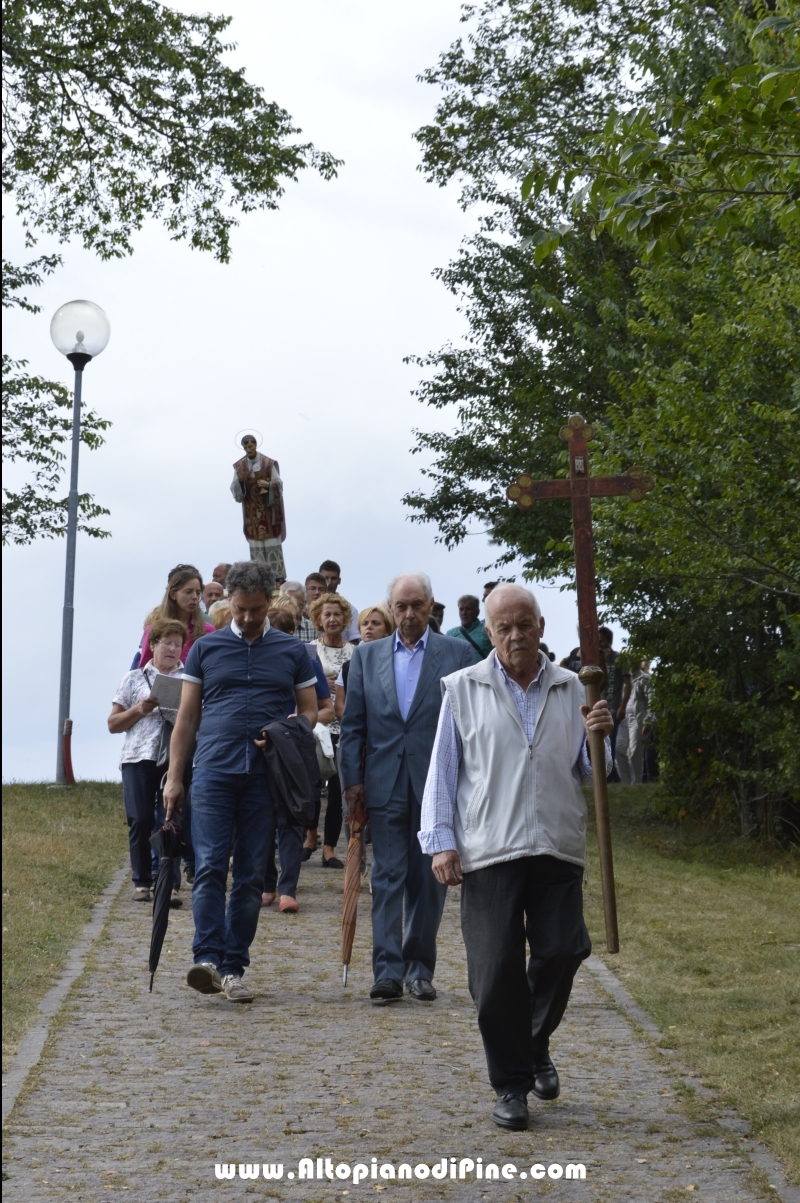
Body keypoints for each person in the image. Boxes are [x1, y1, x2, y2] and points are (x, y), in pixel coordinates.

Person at [419, 584, 613, 1131]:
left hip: (556, 844)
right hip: (489, 847)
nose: (514, 635)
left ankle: (530, 1046)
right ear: (488, 631)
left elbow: (592, 773)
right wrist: (440, 841)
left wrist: (600, 736)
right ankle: (512, 1086)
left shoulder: (575, 687)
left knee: (564, 951)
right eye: (502, 626)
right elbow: (444, 770)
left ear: (541, 625)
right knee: (494, 973)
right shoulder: (462, 688)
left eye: (523, 623)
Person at [163, 560, 318, 1003]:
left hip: (264, 777)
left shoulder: (292, 651)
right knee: (210, 865)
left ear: (270, 602)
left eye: (256, 609)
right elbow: (187, 718)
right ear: (228, 601)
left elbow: (310, 710)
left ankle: (234, 967)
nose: (248, 617)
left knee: (250, 874)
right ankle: (207, 958)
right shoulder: (206, 650)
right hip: (212, 770)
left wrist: (286, 732)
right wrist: (175, 779)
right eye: (240, 609)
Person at [339, 573, 475, 1004]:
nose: (410, 614)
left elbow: (473, 723)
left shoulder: (458, 653)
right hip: (382, 781)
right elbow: (354, 725)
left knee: (428, 879)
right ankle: (387, 971)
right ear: (390, 608)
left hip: (438, 782)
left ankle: (420, 969)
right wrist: (352, 785)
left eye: (418, 605)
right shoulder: (366, 656)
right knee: (386, 877)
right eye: (401, 606)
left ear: (431, 606)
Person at [109, 618, 188, 904]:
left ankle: (170, 884)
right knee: (140, 819)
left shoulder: (189, 679)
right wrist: (139, 709)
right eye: (166, 642)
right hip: (137, 756)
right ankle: (141, 881)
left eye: (177, 644)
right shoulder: (132, 678)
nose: (172, 649)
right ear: (152, 645)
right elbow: (113, 724)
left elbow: (197, 719)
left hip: (174, 756)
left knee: (170, 820)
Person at [261, 606, 335, 912]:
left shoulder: (304, 659)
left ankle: (288, 887)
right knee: (261, 819)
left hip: (294, 748)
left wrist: (299, 722)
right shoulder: (254, 659)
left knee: (291, 818)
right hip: (262, 747)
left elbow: (326, 708)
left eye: (286, 631)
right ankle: (267, 883)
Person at [303, 592, 354, 867]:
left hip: (343, 727)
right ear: (318, 620)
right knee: (311, 784)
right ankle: (311, 836)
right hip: (316, 723)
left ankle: (330, 848)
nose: (333, 619)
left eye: (337, 614)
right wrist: (323, 681)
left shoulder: (355, 652)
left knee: (337, 788)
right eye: (327, 615)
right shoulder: (310, 650)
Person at [230, 434, 287, 577]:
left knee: (271, 542)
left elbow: (279, 484)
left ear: (255, 445)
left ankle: (277, 578)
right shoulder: (240, 466)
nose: (249, 449)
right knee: (256, 545)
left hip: (268, 512)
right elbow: (234, 488)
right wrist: (241, 482)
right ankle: (259, 578)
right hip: (252, 513)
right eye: (246, 447)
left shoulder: (268, 463)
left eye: (251, 446)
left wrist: (268, 485)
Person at [139, 565, 215, 667]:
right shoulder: (153, 629)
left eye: (198, 593)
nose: (194, 597)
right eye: (188, 592)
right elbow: (143, 670)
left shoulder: (208, 631)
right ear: (173, 594)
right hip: (159, 682)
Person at [333, 605, 395, 721]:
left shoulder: (396, 662)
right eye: (364, 623)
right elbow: (340, 706)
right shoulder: (348, 666)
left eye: (375, 623)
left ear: (387, 630)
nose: (369, 627)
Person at [598, 627, 632, 783]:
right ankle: (611, 777)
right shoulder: (597, 660)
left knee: (610, 743)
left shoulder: (620, 658)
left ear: (609, 640)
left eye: (602, 640)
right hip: (600, 704)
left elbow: (628, 684)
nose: (600, 644)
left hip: (613, 705)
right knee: (602, 743)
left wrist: (622, 706)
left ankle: (610, 777)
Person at [318, 560, 360, 642]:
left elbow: (354, 640)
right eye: (326, 578)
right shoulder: (307, 606)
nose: (329, 583)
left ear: (339, 580)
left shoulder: (350, 609)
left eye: (333, 578)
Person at [446, 594, 493, 659]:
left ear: (477, 611)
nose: (464, 613)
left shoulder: (487, 630)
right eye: (461, 609)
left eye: (468, 609)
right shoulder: (450, 634)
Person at [297, 573, 326, 642]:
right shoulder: (297, 613)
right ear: (305, 591)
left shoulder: (331, 615)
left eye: (321, 589)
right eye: (313, 588)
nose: (317, 592)